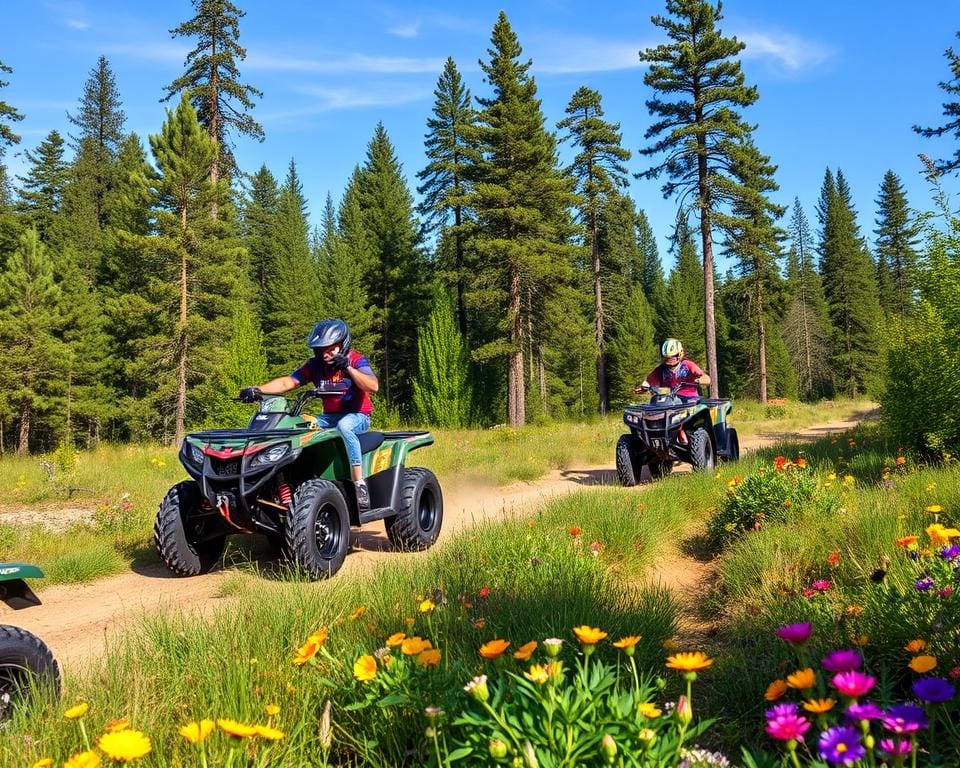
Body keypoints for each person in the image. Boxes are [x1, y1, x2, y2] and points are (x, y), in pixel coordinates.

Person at [239, 319, 379, 512]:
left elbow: (373, 386)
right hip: (329, 417)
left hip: (357, 416)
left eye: (331, 349)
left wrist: (348, 368)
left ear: (342, 345)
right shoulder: (315, 366)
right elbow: (287, 382)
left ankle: (359, 484)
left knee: (345, 427)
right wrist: (257, 390)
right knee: (295, 422)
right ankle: (287, 480)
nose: (325, 354)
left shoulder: (356, 360)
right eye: (322, 350)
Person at [635, 338, 711, 403]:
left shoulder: (688, 365)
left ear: (680, 354)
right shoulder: (660, 369)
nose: (670, 360)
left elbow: (706, 378)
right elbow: (649, 382)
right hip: (667, 400)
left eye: (673, 357)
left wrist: (700, 380)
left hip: (689, 400)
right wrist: (643, 388)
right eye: (667, 358)